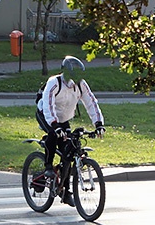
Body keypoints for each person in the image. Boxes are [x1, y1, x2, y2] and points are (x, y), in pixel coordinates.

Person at [36, 56, 105, 207]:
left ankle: (66, 192)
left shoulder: (80, 85)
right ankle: (48, 166)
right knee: (54, 135)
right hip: (46, 115)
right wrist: (55, 125)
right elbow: (48, 105)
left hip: (64, 118)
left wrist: (99, 124)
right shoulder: (54, 82)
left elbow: (91, 103)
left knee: (68, 151)